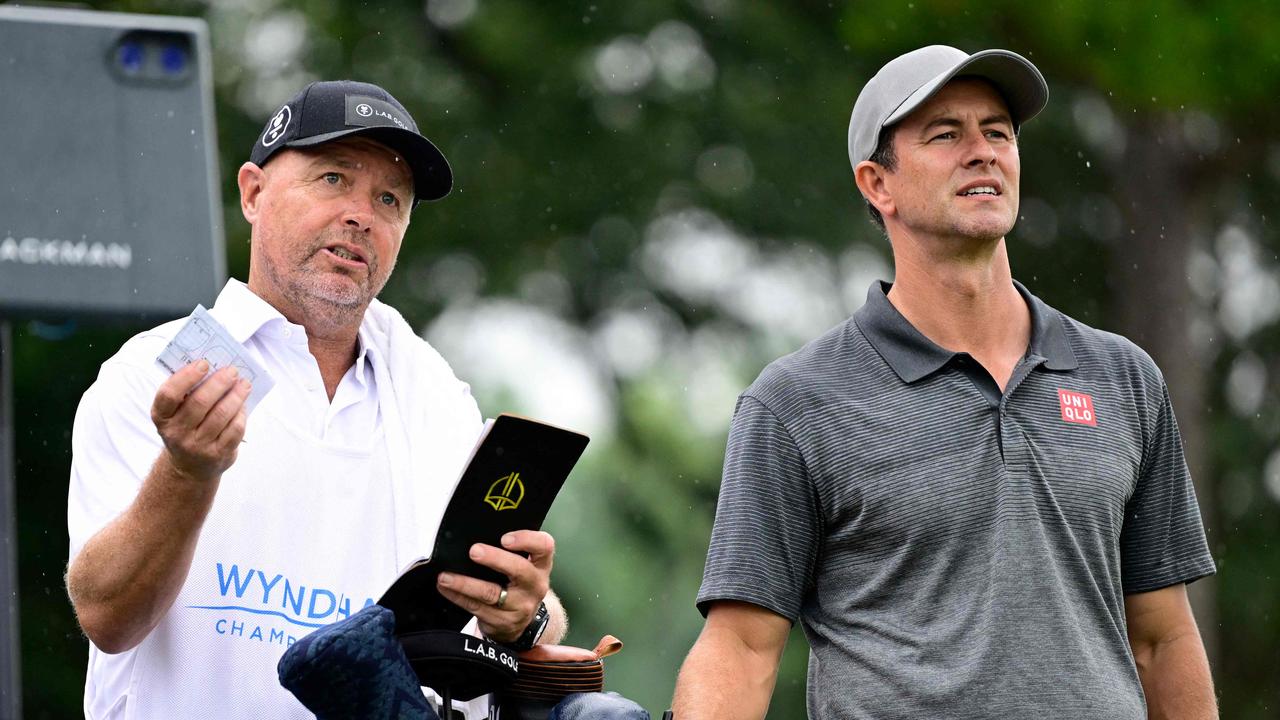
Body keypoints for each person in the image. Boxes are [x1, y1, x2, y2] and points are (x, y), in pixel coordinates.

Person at [65, 80, 646, 720]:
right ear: (253, 193)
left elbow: (520, 613)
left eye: (389, 198)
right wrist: (186, 469)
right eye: (333, 178)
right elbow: (106, 617)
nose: (361, 214)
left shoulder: (435, 393)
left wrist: (527, 615)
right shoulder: (151, 372)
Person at [671, 46, 1217, 719]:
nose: (983, 151)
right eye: (946, 135)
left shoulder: (1123, 377)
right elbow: (742, 650)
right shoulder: (796, 404)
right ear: (878, 184)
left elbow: (1162, 638)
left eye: (998, 131)